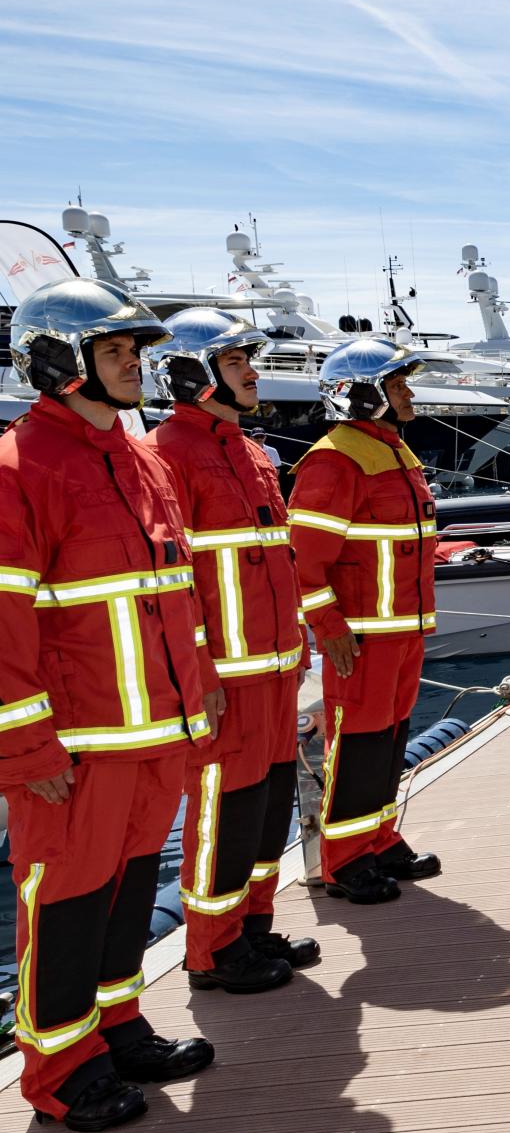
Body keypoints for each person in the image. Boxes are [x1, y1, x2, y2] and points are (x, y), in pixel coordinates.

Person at [0, 278, 222, 1131]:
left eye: (137, 352)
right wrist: (26, 751)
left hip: (156, 736)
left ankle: (118, 1026)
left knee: (129, 889)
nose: (136, 366)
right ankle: (60, 1071)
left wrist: (198, 699)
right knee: (63, 901)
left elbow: (180, 595)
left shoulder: (142, 458)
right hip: (78, 748)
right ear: (61, 362)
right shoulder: (18, 468)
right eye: (118, 352)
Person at [144, 309, 320, 994]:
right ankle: (211, 950)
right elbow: (173, 580)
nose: (252, 372)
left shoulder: (246, 451)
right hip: (225, 677)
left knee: (267, 804)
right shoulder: (168, 454)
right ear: (193, 375)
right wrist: (198, 672)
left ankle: (253, 925)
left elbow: (273, 560)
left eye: (249, 360)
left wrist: (297, 640)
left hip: (273, 668)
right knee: (222, 808)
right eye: (236, 361)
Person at [289, 338, 444, 905]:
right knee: (354, 745)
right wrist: (328, 627)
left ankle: (378, 837)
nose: (408, 393)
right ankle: (343, 860)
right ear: (363, 396)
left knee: (387, 740)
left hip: (403, 629)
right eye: (397, 384)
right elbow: (305, 556)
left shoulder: (394, 451)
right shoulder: (334, 459)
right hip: (361, 636)